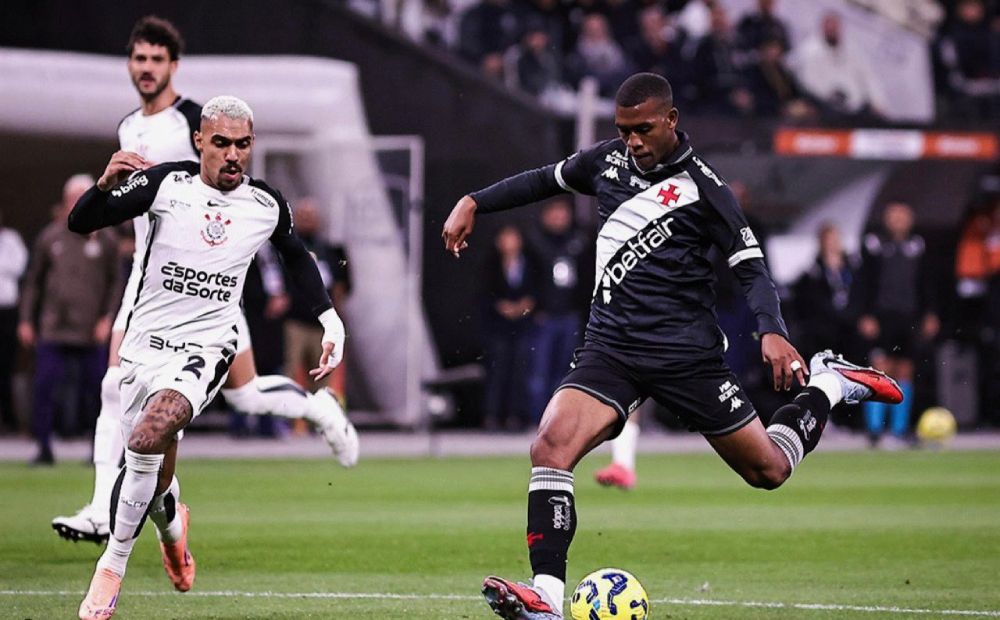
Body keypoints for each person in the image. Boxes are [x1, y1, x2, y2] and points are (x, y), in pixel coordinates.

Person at [441, 72, 904, 619]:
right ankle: (546, 594)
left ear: (671, 121)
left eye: (641, 129)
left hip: (687, 357)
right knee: (550, 447)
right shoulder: (606, 161)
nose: (632, 141)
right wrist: (475, 199)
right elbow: (544, 180)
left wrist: (772, 329)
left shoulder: (708, 190)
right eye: (623, 130)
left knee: (768, 470)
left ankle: (830, 383)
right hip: (610, 348)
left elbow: (752, 270)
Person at [51, 16, 358, 546]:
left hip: (210, 286)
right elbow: (130, 205)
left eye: (156, 60)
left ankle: (317, 407)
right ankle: (104, 508)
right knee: (113, 384)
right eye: (138, 59)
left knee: (247, 397)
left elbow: (224, 196)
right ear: (130, 64)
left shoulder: (199, 120)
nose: (146, 69)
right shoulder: (129, 126)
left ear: (174, 66)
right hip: (149, 285)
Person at [72, 95, 346, 620]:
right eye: (221, 142)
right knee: (152, 478)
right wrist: (105, 184)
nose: (232, 154)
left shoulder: (266, 204)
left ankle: (111, 568)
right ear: (200, 141)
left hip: (207, 347)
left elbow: (298, 260)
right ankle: (173, 532)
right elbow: (81, 223)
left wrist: (331, 319)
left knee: (147, 436)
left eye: (242, 144)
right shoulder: (164, 184)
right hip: (145, 345)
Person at [19, 175, 120, 464]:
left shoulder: (106, 237)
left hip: (92, 330)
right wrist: (27, 319)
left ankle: (97, 451)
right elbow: (33, 282)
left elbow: (117, 283)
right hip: (54, 327)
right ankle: (43, 448)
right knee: (44, 388)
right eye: (72, 198)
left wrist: (108, 319)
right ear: (64, 203)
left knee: (98, 393)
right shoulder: (50, 236)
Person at [856, 202, 938, 447]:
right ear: (885, 219)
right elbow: (864, 283)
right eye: (893, 216)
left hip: (909, 316)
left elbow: (927, 283)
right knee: (880, 368)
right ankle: (874, 430)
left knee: (905, 370)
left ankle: (899, 429)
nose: (898, 220)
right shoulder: (874, 245)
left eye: (903, 215)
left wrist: (930, 313)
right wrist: (865, 314)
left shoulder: (918, 246)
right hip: (881, 316)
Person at [482, 224, 539, 431]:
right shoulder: (491, 265)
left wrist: (524, 307)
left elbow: (536, 291)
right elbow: (485, 294)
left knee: (520, 372)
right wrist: (501, 307)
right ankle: (492, 415)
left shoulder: (529, 262)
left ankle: (516, 416)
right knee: (498, 372)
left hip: (522, 326)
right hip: (499, 328)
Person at [0, 208, 28, 434]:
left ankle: (8, 418)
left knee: (6, 366)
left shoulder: (11, 240)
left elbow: (17, 267)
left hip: (6, 311)